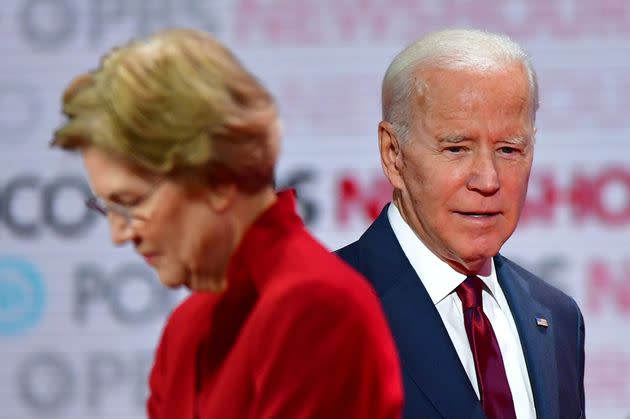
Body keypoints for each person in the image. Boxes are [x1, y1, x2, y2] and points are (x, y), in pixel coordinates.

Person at [51, 28, 403, 419]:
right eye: (107, 209)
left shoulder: (315, 308)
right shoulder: (187, 328)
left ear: (217, 178)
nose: (120, 235)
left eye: (131, 203)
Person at [337, 29, 585, 419]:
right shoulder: (314, 312)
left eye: (509, 149)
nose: (487, 180)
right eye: (456, 148)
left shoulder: (557, 318)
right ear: (393, 154)